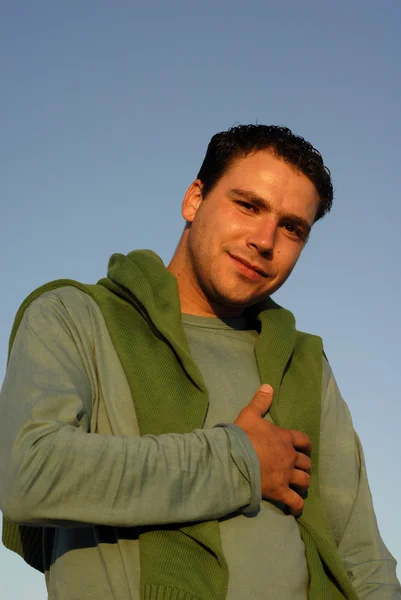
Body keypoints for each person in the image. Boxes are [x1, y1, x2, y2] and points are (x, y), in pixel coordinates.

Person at [0, 125, 399, 600]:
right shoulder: (74, 316)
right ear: (194, 200)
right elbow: (28, 474)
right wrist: (240, 461)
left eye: (292, 228)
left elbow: (362, 556)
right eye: (248, 205)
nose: (265, 240)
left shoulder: (303, 363)